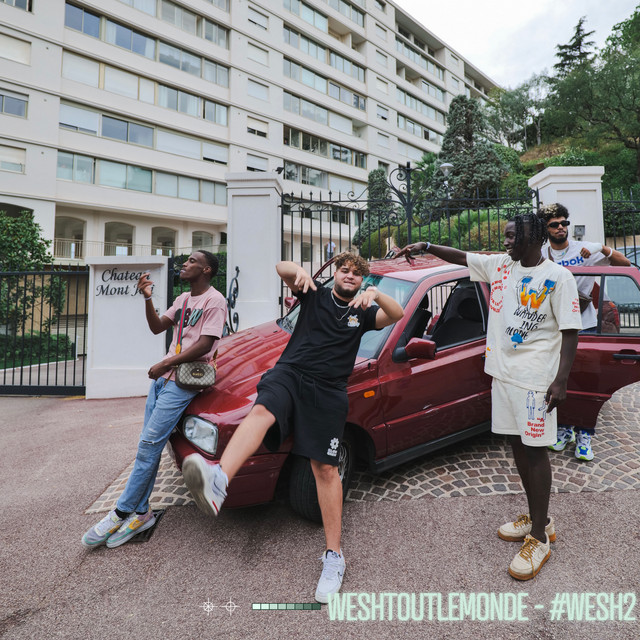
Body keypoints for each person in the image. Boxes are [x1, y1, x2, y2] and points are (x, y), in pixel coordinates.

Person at [181, 252, 404, 602]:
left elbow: (397, 314)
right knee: (262, 411)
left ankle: (334, 557)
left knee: (325, 469)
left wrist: (376, 293)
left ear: (362, 281)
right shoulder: (314, 294)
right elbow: (281, 269)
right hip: (291, 374)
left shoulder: (362, 312)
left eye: (357, 274)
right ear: (335, 274)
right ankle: (219, 479)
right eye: (344, 270)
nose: (349, 276)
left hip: (329, 391)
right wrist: (297, 270)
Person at [397, 213, 581, 580]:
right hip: (502, 375)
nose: (506, 242)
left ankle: (539, 538)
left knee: (535, 451)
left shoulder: (559, 278)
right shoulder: (501, 266)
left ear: (533, 238)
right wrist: (427, 246)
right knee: (516, 445)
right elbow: (461, 256)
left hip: (535, 382)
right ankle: (539, 517)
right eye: (506, 236)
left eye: (513, 236)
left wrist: (561, 381)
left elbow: (571, 332)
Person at [82, 251, 227, 549]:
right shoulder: (183, 299)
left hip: (183, 383)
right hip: (163, 380)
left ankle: (120, 512)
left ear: (207, 270)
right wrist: (147, 298)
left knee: (148, 446)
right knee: (147, 447)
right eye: (186, 260)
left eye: (192, 261)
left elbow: (205, 344)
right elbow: (158, 326)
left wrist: (165, 363)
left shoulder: (215, 301)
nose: (185, 264)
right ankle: (142, 513)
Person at [539, 203, 630, 461]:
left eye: (564, 223)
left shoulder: (585, 249)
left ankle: (585, 434)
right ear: (546, 229)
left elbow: (625, 264)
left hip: (585, 325)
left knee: (587, 380)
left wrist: (602, 248)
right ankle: (565, 428)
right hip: (555, 326)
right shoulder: (542, 254)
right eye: (554, 224)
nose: (561, 228)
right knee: (561, 379)